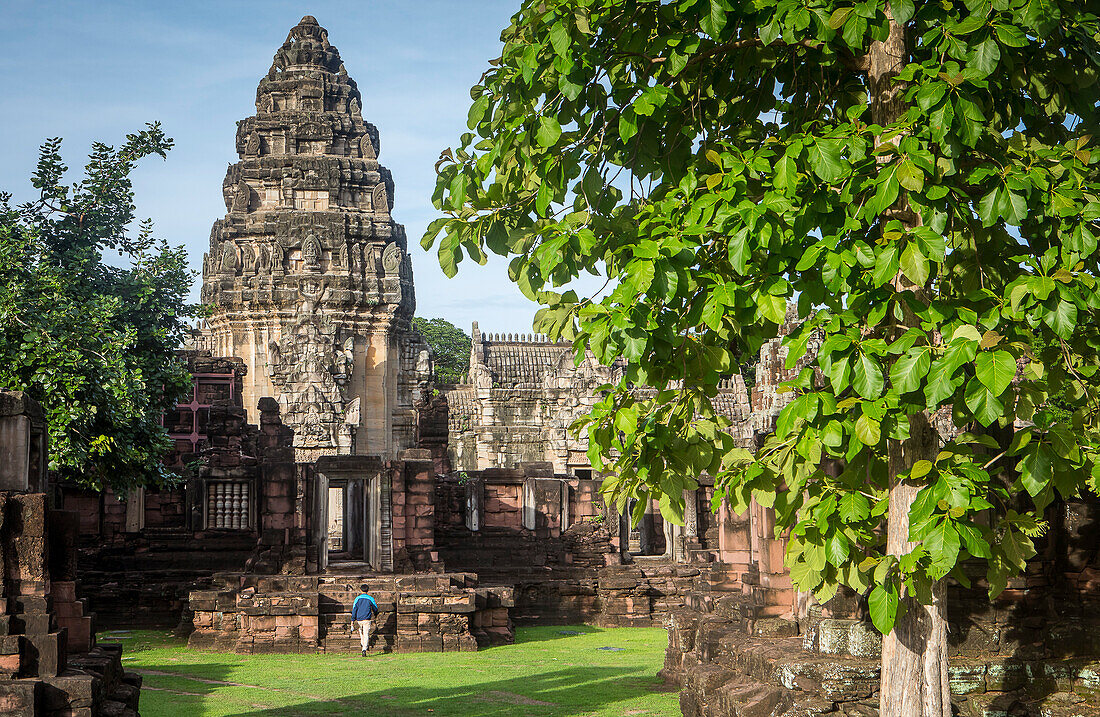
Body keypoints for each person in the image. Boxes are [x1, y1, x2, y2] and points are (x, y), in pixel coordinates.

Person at [351, 584, 379, 656]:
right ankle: (364, 648)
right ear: (368, 590)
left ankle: (363, 644)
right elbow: (375, 608)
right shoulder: (370, 598)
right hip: (367, 618)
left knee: (361, 633)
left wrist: (352, 619)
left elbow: (354, 609)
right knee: (366, 633)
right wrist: (376, 614)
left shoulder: (357, 599)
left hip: (359, 618)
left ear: (360, 590)